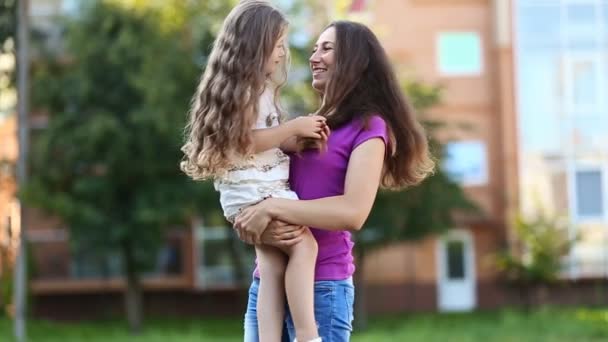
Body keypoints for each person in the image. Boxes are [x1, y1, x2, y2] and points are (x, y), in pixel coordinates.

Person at [234, 20, 435, 341]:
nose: (314, 57)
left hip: (322, 286)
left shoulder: (369, 127)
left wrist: (271, 209)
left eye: (326, 48)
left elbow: (352, 212)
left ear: (354, 60)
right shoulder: (306, 125)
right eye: (314, 49)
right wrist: (250, 215)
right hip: (268, 282)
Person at [180, 1, 327, 341]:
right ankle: (307, 334)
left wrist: (294, 143)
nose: (282, 54)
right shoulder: (248, 92)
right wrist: (294, 127)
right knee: (305, 247)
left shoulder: (239, 89)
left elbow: (261, 142)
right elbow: (244, 141)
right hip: (257, 190)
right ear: (255, 47)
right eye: (277, 46)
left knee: (272, 267)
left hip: (245, 192)